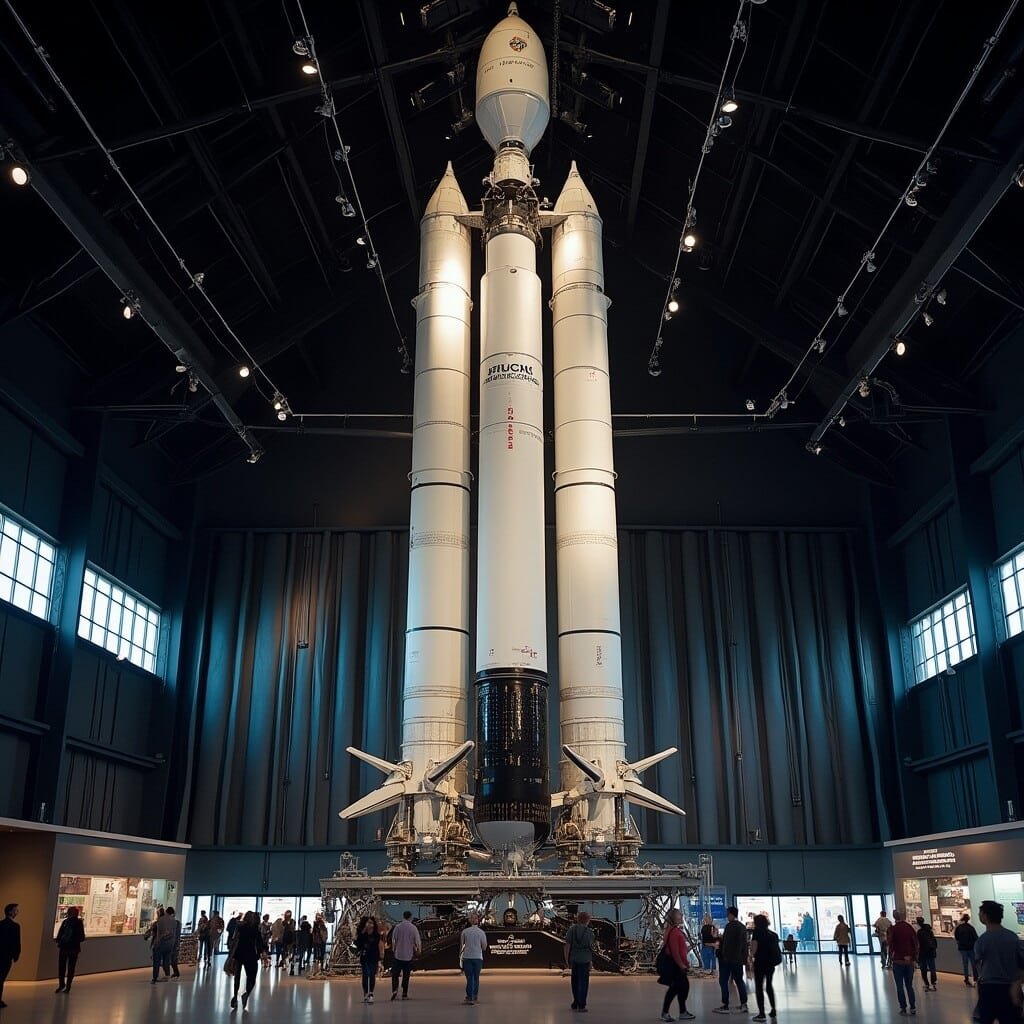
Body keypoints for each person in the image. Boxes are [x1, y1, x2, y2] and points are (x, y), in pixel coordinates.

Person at [975, 899, 1024, 1024]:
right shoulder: (1012, 937)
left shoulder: (982, 940)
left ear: (985, 916)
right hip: (1010, 988)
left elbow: (977, 963)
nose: (979, 915)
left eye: (980, 913)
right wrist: (1017, 984)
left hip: (989, 989)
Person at [659, 907, 695, 1022]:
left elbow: (680, 949)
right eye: (679, 914)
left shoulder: (675, 930)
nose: (682, 916)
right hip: (676, 965)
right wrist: (681, 965)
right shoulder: (674, 932)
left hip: (678, 964)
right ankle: (668, 1013)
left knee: (679, 988)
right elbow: (674, 951)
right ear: (674, 917)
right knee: (678, 988)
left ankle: (681, 1011)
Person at [227, 911, 265, 1010]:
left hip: (239, 954)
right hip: (250, 956)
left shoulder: (240, 927)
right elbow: (260, 942)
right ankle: (245, 995)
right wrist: (262, 952)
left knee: (237, 977)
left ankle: (235, 997)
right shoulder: (254, 929)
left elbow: (234, 940)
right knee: (251, 978)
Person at [713, 906, 749, 1014]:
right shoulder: (742, 926)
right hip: (738, 959)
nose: (726, 916)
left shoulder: (729, 926)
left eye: (728, 914)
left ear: (731, 914)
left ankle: (725, 1005)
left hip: (728, 959)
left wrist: (722, 953)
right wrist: (744, 958)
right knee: (739, 980)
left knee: (723, 980)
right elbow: (744, 945)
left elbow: (726, 944)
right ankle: (744, 1004)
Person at [749, 913, 781, 1022]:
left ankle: (761, 1013)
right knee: (769, 986)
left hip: (760, 963)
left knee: (759, 987)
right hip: (771, 964)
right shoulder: (773, 934)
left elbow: (753, 949)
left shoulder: (757, 933)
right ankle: (773, 1009)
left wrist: (750, 959)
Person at [888, 909, 918, 1015]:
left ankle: (903, 1008)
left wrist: (890, 959)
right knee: (909, 985)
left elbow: (890, 944)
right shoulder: (909, 928)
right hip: (909, 961)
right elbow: (915, 943)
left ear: (894, 917)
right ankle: (913, 1007)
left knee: (899, 986)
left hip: (898, 960)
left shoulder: (893, 929)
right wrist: (913, 957)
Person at [565, 910, 596, 1013]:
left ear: (578, 919)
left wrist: (566, 959)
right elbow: (591, 948)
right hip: (585, 959)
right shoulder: (589, 932)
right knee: (583, 983)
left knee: (575, 982)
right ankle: (582, 1005)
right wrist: (591, 961)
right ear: (587, 920)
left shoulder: (571, 930)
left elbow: (567, 946)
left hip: (574, 959)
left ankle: (575, 1002)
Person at [390, 910, 421, 1000]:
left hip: (398, 955)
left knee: (395, 974)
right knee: (406, 975)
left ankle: (395, 990)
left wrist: (394, 949)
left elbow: (393, 940)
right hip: (408, 956)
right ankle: (404, 994)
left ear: (403, 916)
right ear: (410, 917)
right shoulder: (413, 928)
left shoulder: (398, 927)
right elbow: (417, 941)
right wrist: (419, 950)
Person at [54, 906, 86, 994]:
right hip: (73, 949)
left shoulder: (66, 922)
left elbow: (60, 934)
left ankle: (62, 985)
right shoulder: (78, 922)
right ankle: (67, 986)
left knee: (62, 967)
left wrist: (59, 941)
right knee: (70, 968)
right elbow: (82, 937)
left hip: (65, 948)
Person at [460, 911, 488, 1005]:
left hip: (467, 957)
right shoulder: (481, 933)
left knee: (469, 977)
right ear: (478, 920)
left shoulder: (465, 932)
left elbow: (461, 946)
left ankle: (469, 997)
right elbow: (484, 947)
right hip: (478, 957)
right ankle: (474, 996)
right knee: (476, 978)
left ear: (469, 920)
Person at [356, 917, 384, 1003]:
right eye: (368, 923)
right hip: (364, 957)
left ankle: (371, 994)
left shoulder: (376, 935)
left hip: (373, 957)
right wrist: (363, 932)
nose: (370, 925)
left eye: (371, 923)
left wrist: (380, 959)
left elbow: (378, 947)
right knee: (365, 976)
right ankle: (365, 994)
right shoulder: (362, 934)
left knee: (372, 975)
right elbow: (358, 944)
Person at [0, 904, 21, 1009]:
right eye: (16, 910)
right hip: (7, 956)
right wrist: (16, 955)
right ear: (11, 912)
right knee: (1, 978)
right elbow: (16, 942)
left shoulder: (1, 924)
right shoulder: (15, 926)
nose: (17, 912)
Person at [150, 904, 177, 984]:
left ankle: (155, 977)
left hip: (161, 943)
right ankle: (167, 975)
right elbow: (174, 934)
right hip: (170, 944)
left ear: (166, 911)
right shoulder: (174, 921)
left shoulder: (161, 920)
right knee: (166, 960)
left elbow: (159, 933)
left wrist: (156, 943)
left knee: (157, 961)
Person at [955, 913, 980, 986]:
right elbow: (976, 938)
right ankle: (976, 978)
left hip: (962, 948)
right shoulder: (971, 928)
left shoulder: (959, 928)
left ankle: (966, 979)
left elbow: (956, 938)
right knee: (973, 964)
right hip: (971, 948)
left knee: (965, 964)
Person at [915, 917, 938, 991]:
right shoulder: (929, 931)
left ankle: (926, 984)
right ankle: (933, 983)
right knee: (932, 968)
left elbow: (918, 944)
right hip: (931, 952)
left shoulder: (919, 932)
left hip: (923, 953)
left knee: (923, 969)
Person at [166, 906, 182, 978]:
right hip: (174, 943)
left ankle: (176, 972)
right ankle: (175, 972)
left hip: (174, 943)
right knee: (172, 959)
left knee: (173, 959)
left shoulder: (175, 923)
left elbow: (175, 934)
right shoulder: (176, 923)